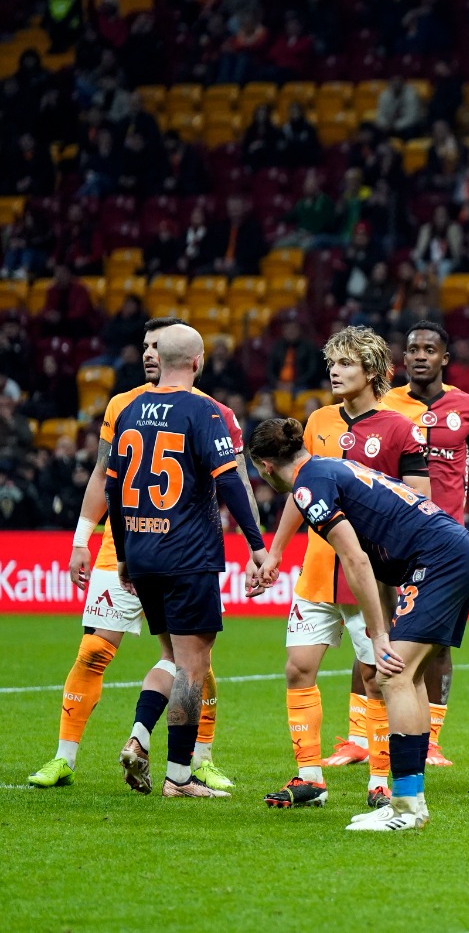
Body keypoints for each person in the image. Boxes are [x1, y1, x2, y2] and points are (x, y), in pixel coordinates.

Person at [28, 318, 256, 792]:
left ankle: (194, 757)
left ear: (175, 355)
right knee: (120, 653)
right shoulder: (126, 405)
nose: (149, 353)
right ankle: (69, 758)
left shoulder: (203, 412)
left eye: (157, 346)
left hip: (147, 552)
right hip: (143, 551)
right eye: (145, 346)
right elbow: (103, 477)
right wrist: (81, 540)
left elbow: (227, 480)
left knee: (189, 662)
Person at [247, 420, 469, 832]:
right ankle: (409, 803)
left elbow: (356, 561)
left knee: (392, 674)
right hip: (452, 552)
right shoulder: (329, 469)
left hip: (439, 561)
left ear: (265, 467)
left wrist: (379, 637)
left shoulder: (310, 486)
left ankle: (407, 808)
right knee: (406, 678)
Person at [253, 326, 430, 810]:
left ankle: (379, 779)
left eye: (346, 363)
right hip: (318, 567)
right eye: (332, 362)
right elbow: (300, 492)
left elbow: (420, 503)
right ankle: (309, 777)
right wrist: (275, 552)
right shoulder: (318, 422)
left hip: (370, 575)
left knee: (377, 675)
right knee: (298, 667)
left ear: (371, 371)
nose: (334, 370)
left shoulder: (400, 429)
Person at [106, 324, 267, 798]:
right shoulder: (203, 410)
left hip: (140, 550)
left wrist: (123, 552)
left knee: (171, 657)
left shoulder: (131, 408)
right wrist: (257, 546)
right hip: (188, 554)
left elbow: (115, 488)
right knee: (194, 667)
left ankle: (140, 733)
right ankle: (179, 776)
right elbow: (231, 482)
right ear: (198, 362)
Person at [382, 321, 469, 766]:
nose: (419, 355)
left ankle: (432, 739)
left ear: (445, 358)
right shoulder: (383, 405)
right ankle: (367, 737)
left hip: (445, 544)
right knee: (378, 636)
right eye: (412, 348)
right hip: (388, 538)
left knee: (438, 644)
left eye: (429, 349)